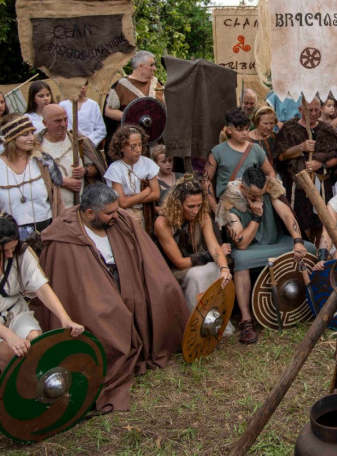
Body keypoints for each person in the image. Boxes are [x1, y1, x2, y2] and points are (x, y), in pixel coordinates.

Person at [34, 183, 189, 411]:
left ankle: (146, 344)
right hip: (91, 291)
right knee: (107, 313)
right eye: (109, 213)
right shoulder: (64, 235)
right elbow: (69, 282)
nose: (115, 216)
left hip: (128, 278)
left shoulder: (121, 221)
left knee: (164, 288)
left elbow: (145, 254)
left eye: (116, 210)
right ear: (89, 213)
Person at [0, 212, 83, 369]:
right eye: (3, 251)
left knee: (36, 345)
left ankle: (42, 390)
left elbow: (42, 288)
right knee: (11, 354)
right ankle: (14, 393)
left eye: (13, 248)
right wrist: (10, 337)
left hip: (15, 314)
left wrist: (64, 318)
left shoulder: (20, 252)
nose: (10, 254)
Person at [216, 167, 315, 344]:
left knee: (310, 248)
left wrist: (298, 241)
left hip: (277, 242)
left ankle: (308, 305)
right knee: (241, 260)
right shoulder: (229, 202)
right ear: (243, 188)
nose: (259, 198)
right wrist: (257, 215)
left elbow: (287, 215)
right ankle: (246, 320)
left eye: (261, 194)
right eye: (254, 195)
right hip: (250, 249)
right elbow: (242, 243)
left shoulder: (270, 188)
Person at [0, 114, 63, 242]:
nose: (31, 138)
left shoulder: (41, 161)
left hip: (46, 232)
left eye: (32, 133)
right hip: (7, 237)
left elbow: (57, 201)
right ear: (12, 138)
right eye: (25, 134)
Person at [154, 177, 232, 311]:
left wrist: (224, 268)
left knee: (216, 269)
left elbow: (214, 246)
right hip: (173, 271)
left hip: (196, 262)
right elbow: (179, 263)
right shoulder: (162, 223)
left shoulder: (202, 216)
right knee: (198, 274)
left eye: (199, 205)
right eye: (190, 206)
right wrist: (210, 255)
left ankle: (214, 318)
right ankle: (195, 320)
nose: (195, 211)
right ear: (178, 204)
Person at [275, 97, 337, 243]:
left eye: (316, 110)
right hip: (298, 187)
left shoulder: (327, 130)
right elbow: (281, 156)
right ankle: (303, 255)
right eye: (309, 110)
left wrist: (321, 164)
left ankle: (319, 256)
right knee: (300, 223)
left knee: (321, 223)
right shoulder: (289, 129)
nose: (313, 113)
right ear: (301, 110)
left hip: (322, 186)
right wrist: (301, 148)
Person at [35, 104, 106, 210]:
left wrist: (85, 171)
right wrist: (61, 182)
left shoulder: (78, 141)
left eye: (65, 119)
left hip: (79, 207)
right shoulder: (36, 146)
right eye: (58, 121)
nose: (64, 124)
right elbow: (33, 178)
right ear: (45, 123)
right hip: (51, 209)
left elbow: (97, 169)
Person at [208, 108, 274, 209]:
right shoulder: (217, 151)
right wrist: (214, 207)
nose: (244, 133)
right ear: (229, 129)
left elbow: (270, 173)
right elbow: (206, 180)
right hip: (229, 205)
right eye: (240, 129)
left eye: (247, 129)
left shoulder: (256, 149)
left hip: (252, 203)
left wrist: (261, 190)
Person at [104, 125, 160, 229]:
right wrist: (145, 192)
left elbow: (156, 194)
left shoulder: (148, 163)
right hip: (124, 212)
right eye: (133, 146)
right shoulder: (115, 168)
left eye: (140, 145)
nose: (138, 150)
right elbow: (122, 202)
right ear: (121, 147)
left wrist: (131, 199)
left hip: (146, 210)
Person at [105, 51, 164, 123]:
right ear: (140, 66)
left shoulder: (158, 84)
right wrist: (132, 117)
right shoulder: (120, 86)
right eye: (151, 65)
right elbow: (108, 111)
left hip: (158, 132)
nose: (154, 68)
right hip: (131, 132)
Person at [60, 83, 107, 147]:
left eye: (85, 84)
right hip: (68, 146)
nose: (83, 87)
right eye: (80, 83)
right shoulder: (63, 106)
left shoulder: (93, 105)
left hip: (88, 146)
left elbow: (101, 129)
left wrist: (86, 140)